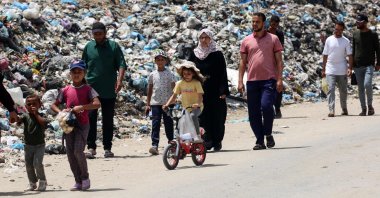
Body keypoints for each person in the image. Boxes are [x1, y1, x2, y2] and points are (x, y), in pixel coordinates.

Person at [51, 60, 101, 191]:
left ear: (84, 73)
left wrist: (82, 107)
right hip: (68, 124)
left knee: (78, 151)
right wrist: (61, 111)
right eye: (74, 72)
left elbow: (97, 104)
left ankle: (85, 178)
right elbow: (54, 104)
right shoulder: (66, 89)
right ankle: (77, 181)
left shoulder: (88, 89)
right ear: (70, 74)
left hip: (83, 124)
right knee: (70, 154)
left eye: (80, 72)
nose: (77, 74)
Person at [238, 12, 283, 150]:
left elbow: (279, 61)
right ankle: (259, 140)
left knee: (267, 107)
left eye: (257, 22)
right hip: (252, 81)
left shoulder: (274, 39)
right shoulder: (246, 40)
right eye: (252, 22)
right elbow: (242, 62)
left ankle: (268, 133)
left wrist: (280, 79)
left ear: (264, 23)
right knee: (253, 113)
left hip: (268, 80)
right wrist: (240, 80)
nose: (254, 24)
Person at [82, 22, 127, 158]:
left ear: (105, 33)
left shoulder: (113, 46)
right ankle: (91, 147)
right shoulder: (89, 47)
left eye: (100, 33)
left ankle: (107, 148)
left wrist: (119, 80)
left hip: (108, 89)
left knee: (108, 119)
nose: (97, 36)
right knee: (90, 118)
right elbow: (83, 66)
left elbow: (121, 64)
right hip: (91, 89)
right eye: (95, 34)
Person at [188, 28, 229, 151]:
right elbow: (188, 70)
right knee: (202, 116)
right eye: (201, 37)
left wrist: (223, 91)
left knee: (217, 116)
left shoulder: (217, 53)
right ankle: (206, 140)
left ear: (210, 38)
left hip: (215, 91)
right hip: (199, 91)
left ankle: (217, 141)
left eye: (206, 37)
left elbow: (223, 73)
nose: (204, 40)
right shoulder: (194, 54)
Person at [163, 61, 204, 142]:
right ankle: (181, 140)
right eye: (184, 74)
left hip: (197, 107)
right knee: (180, 122)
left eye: (189, 74)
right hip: (185, 108)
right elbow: (174, 96)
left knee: (192, 116)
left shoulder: (196, 83)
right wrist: (166, 105)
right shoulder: (179, 83)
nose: (186, 76)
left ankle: (198, 136)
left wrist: (198, 104)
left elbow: (200, 96)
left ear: (193, 74)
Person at [145, 49, 176, 155]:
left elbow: (174, 89)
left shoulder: (170, 74)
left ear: (166, 61)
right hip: (155, 103)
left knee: (168, 123)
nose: (160, 62)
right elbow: (149, 90)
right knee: (155, 124)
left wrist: (173, 101)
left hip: (168, 103)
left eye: (162, 59)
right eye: (158, 60)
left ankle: (171, 143)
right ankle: (155, 145)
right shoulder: (152, 74)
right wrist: (148, 104)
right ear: (155, 61)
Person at [17, 95, 48, 191]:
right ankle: (32, 182)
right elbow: (18, 121)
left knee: (37, 163)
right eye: (29, 104)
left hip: (40, 145)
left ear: (40, 105)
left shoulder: (42, 115)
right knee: (29, 165)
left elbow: (43, 123)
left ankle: (42, 181)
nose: (31, 106)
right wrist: (14, 116)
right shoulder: (25, 116)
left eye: (34, 104)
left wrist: (35, 114)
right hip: (28, 145)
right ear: (25, 106)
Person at [322, 21, 353, 117]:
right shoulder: (329, 40)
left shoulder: (346, 41)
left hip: (342, 69)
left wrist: (350, 68)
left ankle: (344, 109)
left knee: (343, 91)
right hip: (330, 69)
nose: (337, 31)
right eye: (336, 29)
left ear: (343, 30)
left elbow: (350, 55)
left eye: (339, 30)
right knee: (330, 89)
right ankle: (331, 110)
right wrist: (323, 69)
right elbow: (325, 55)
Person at [352, 14, 380, 116]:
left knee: (367, 84)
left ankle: (370, 106)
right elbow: (353, 49)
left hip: (369, 65)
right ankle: (364, 109)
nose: (357, 23)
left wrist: (378, 63)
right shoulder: (355, 33)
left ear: (365, 22)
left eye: (359, 22)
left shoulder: (373, 34)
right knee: (360, 89)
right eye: (357, 22)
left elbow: (378, 49)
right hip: (357, 65)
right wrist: (351, 65)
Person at [267, 15, 285, 119]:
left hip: (277, 62)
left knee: (278, 85)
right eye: (272, 24)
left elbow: (281, 48)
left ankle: (277, 108)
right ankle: (270, 109)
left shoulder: (279, 34)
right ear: (270, 23)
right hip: (266, 62)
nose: (273, 26)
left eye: (276, 25)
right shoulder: (265, 33)